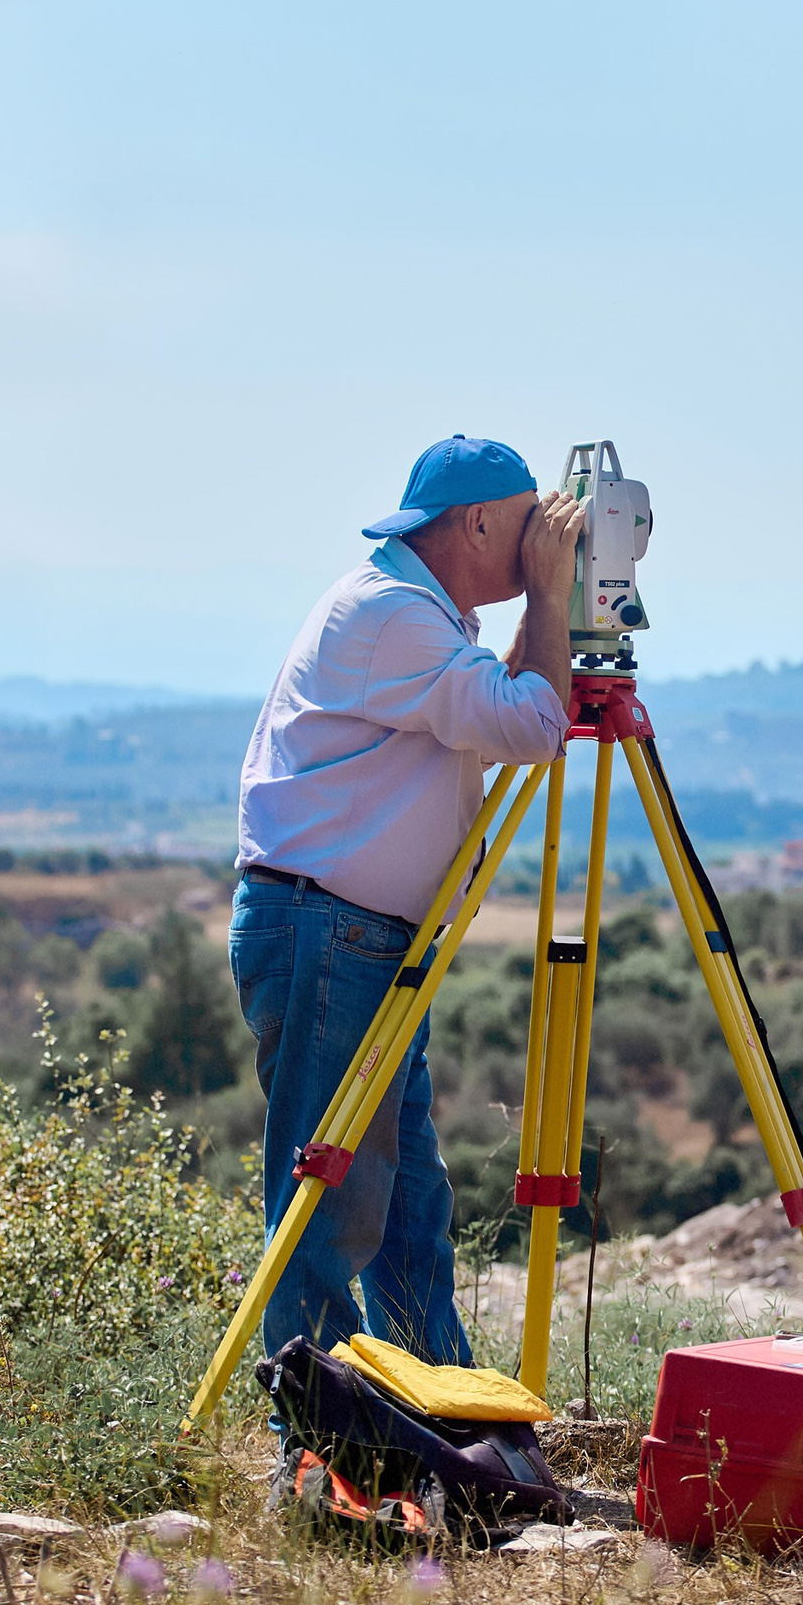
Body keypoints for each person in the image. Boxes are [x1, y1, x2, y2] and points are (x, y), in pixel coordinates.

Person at [231, 435, 588, 1365]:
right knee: (330, 1199)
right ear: (475, 522)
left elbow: (504, 706)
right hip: (328, 931)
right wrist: (553, 596)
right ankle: (316, 1446)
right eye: (527, 525)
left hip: (357, 935)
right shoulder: (393, 617)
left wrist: (541, 610)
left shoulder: (417, 613)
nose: (542, 541)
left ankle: (434, 1411)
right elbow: (534, 724)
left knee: (407, 1203)